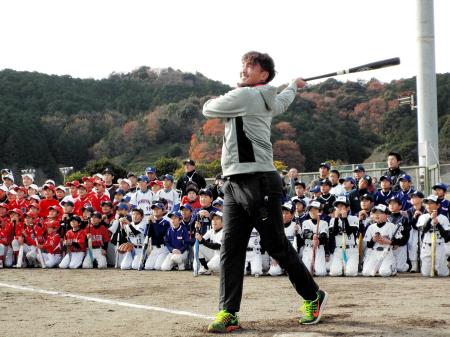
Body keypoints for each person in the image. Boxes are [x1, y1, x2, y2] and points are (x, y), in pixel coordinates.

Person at [202, 51, 327, 331]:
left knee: (276, 246)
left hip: (259, 181)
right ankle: (228, 312)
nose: (244, 70)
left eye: (252, 67)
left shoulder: (246, 96)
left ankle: (313, 295)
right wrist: (294, 86)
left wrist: (226, 94)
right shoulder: (265, 98)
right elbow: (282, 102)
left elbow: (208, 108)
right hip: (233, 182)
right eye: (244, 65)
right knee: (230, 249)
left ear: (264, 75)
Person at [362, 204, 403, 277]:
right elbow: (369, 245)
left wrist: (389, 242)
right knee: (366, 273)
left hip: (387, 252)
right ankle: (379, 267)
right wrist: (373, 240)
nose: (377, 215)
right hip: (374, 253)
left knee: (384, 273)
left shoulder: (392, 226)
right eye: (375, 213)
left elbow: (400, 242)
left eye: (380, 213)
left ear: (387, 215)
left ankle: (392, 267)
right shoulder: (371, 227)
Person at [417, 195, 450, 277]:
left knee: (443, 274)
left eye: (431, 203)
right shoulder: (423, 217)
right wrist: (430, 219)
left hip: (440, 246)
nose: (428, 205)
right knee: (426, 274)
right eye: (427, 203)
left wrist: (438, 224)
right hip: (426, 246)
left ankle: (446, 265)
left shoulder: (443, 218)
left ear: (438, 205)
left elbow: (446, 236)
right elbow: (423, 230)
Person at [328, 196, 359, 277]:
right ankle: (342, 266)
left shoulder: (354, 218)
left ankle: (347, 266)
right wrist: (336, 219)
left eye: (342, 205)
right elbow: (334, 233)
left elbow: (349, 232)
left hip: (351, 250)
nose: (339, 208)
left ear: (348, 208)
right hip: (338, 250)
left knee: (351, 273)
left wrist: (345, 218)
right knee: (334, 273)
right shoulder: (333, 220)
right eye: (337, 206)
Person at [301, 201, 329, 277]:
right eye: (311, 210)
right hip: (308, 248)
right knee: (305, 273)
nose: (312, 212)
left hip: (319, 248)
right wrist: (313, 236)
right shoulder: (305, 222)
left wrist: (318, 239)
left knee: (321, 273)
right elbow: (306, 233)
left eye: (315, 209)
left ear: (320, 211)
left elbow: (324, 236)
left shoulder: (324, 223)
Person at [387, 196, 410, 272]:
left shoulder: (404, 218)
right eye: (390, 204)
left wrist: (398, 243)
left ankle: (406, 265)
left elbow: (406, 235)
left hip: (400, 246)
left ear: (400, 206)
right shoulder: (385, 218)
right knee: (389, 268)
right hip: (387, 245)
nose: (391, 205)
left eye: (394, 203)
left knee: (400, 268)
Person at [406, 191, 426, 272]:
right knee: (412, 247)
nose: (413, 199)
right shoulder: (409, 210)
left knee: (423, 246)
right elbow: (410, 223)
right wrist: (414, 217)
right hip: (413, 231)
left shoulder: (425, 209)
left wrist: (421, 216)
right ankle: (414, 266)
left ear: (421, 199)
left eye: (415, 197)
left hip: (423, 230)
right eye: (412, 197)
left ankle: (423, 264)